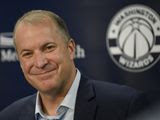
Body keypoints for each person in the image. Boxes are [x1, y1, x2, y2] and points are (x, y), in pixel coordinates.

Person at [0, 10, 147, 120]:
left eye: (49, 47)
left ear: (70, 49)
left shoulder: (126, 105)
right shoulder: (9, 116)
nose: (40, 62)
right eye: (27, 54)